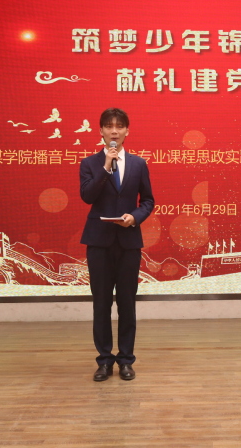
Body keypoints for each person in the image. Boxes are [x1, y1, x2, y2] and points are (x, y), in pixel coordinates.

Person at [79, 108, 155, 382]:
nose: (114, 131)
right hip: (99, 242)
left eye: (119, 126)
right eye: (109, 126)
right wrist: (106, 167)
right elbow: (87, 196)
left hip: (128, 242)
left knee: (126, 303)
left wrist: (134, 217)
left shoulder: (138, 164)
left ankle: (125, 360)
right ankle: (104, 361)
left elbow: (148, 200)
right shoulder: (90, 163)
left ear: (127, 131)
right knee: (101, 303)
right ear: (100, 131)